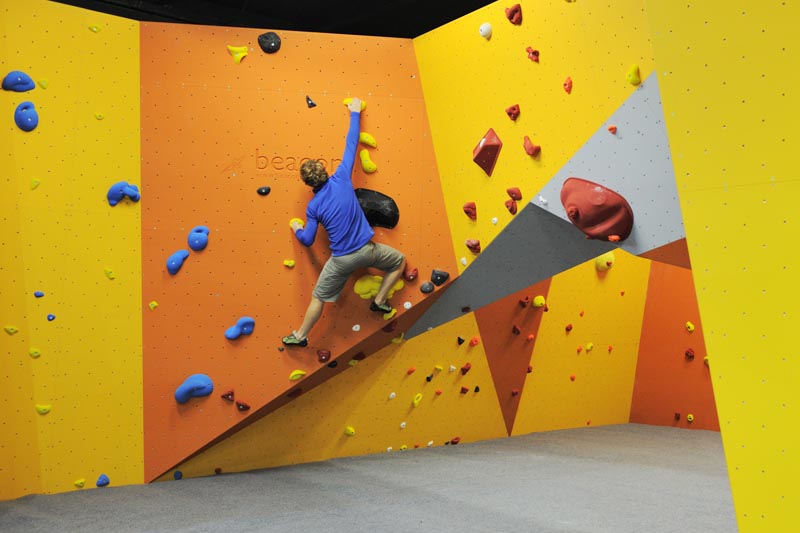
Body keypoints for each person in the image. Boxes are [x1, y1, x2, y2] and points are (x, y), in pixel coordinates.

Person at [282, 97, 406, 347]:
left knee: (318, 297)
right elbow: (351, 143)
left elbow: (307, 241)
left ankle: (300, 336)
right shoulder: (342, 179)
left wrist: (296, 228)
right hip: (367, 252)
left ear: (308, 184)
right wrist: (354, 112)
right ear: (325, 172)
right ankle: (380, 300)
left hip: (341, 260)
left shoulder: (313, 206)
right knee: (399, 261)